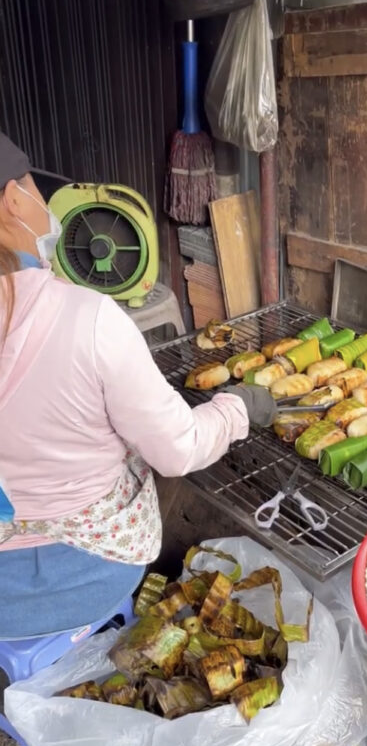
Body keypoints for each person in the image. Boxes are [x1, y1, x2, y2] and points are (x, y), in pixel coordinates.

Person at [0, 132, 276, 639]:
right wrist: (236, 407)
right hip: (87, 574)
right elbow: (177, 451)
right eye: (35, 187)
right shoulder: (89, 320)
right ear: (15, 200)